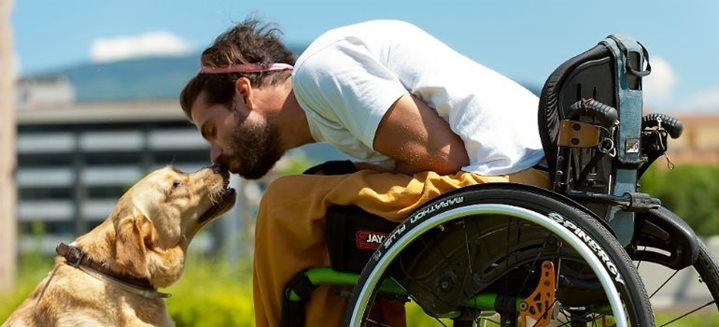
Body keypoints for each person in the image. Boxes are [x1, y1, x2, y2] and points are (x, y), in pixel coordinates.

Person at [180, 18, 549, 327]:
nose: (215, 155)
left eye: (212, 130)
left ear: (244, 92)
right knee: (321, 192)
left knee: (284, 202)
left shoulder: (320, 71)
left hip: (504, 180)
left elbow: (441, 155)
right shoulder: (331, 104)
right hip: (525, 173)